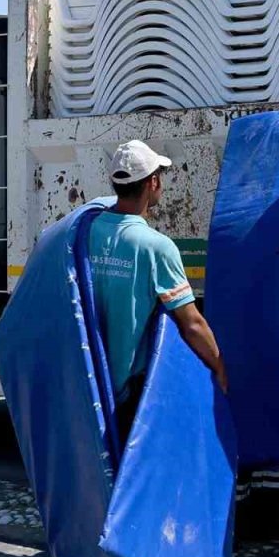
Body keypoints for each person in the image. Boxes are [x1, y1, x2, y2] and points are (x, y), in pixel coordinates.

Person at [87, 139, 228, 440]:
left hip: (89, 385)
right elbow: (191, 324)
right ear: (152, 182)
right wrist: (220, 366)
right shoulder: (157, 248)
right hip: (129, 394)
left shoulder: (85, 235)